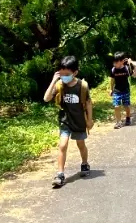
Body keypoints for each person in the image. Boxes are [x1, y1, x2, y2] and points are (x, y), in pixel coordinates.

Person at [43, 56, 93, 188]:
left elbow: (88, 103)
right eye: (61, 74)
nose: (64, 77)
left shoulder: (82, 86)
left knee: (81, 145)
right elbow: (46, 98)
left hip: (79, 121)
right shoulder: (59, 85)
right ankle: (60, 174)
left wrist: (89, 120)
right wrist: (54, 80)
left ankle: (84, 163)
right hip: (65, 121)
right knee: (62, 145)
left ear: (75, 73)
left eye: (67, 74)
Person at [110, 52, 136, 129]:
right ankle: (118, 122)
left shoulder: (126, 68)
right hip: (117, 91)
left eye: (116, 62)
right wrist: (111, 89)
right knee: (116, 106)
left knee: (126, 106)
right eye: (114, 62)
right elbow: (112, 80)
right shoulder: (113, 70)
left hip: (125, 90)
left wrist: (134, 66)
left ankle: (128, 118)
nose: (114, 63)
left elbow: (134, 75)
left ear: (122, 61)